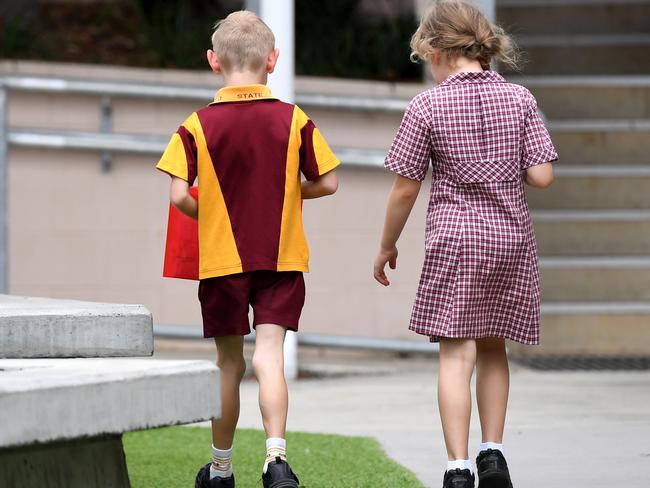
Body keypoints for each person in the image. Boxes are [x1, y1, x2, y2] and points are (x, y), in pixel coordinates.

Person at [373, 1, 557, 487]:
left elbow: (406, 186)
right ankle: (492, 454)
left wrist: (387, 244)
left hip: (456, 241)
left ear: (436, 50)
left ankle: (457, 468)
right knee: (494, 348)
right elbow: (542, 176)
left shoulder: (427, 106)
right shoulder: (520, 99)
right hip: (509, 239)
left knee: (457, 355)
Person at [156, 10, 340, 488]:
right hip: (281, 257)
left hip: (221, 262)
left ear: (214, 61)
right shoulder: (294, 119)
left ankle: (220, 469)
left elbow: (179, 196)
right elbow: (329, 181)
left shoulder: (194, 126)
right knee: (270, 357)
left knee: (230, 363)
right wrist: (289, 193)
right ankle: (276, 460)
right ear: (272, 60)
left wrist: (214, 214)